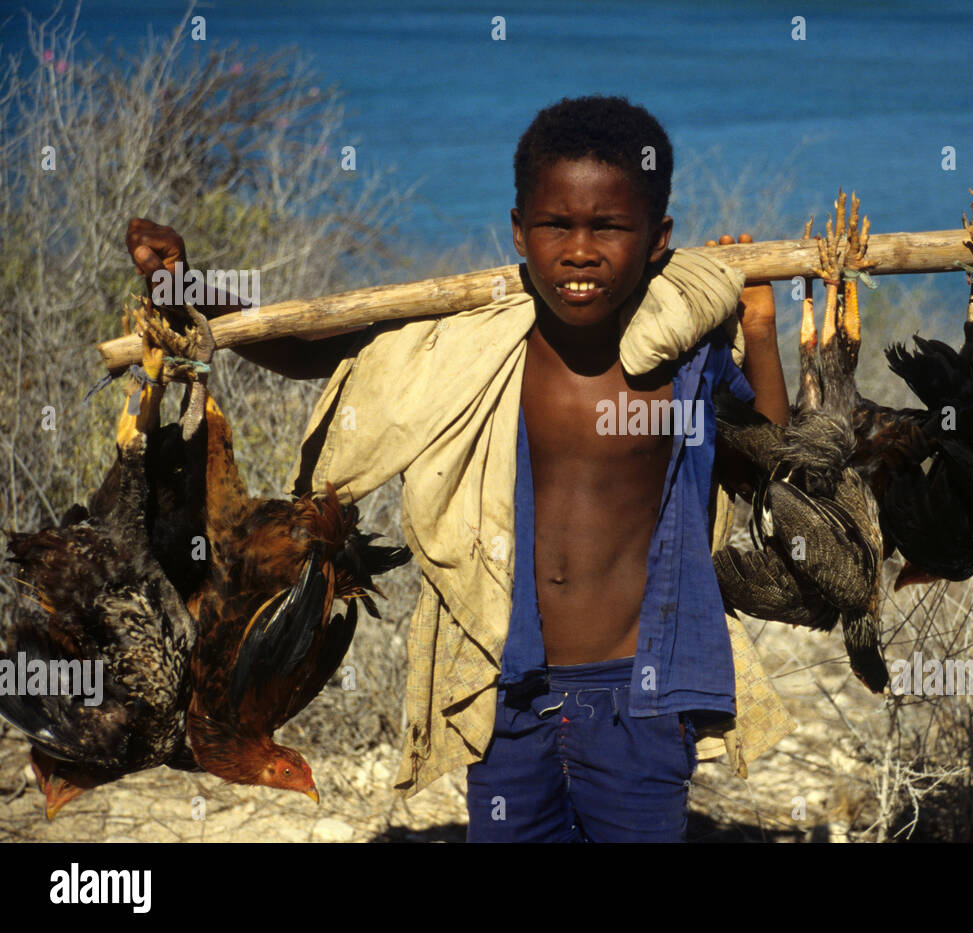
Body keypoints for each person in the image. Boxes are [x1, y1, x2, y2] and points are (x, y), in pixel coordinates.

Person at [126, 95, 796, 842]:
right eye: (555, 226)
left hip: (639, 692)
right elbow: (313, 343)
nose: (579, 250)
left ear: (657, 238)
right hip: (506, 689)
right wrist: (190, 289)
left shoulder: (685, 355)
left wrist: (760, 327)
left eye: (608, 226)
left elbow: (769, 459)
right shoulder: (474, 346)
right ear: (518, 230)